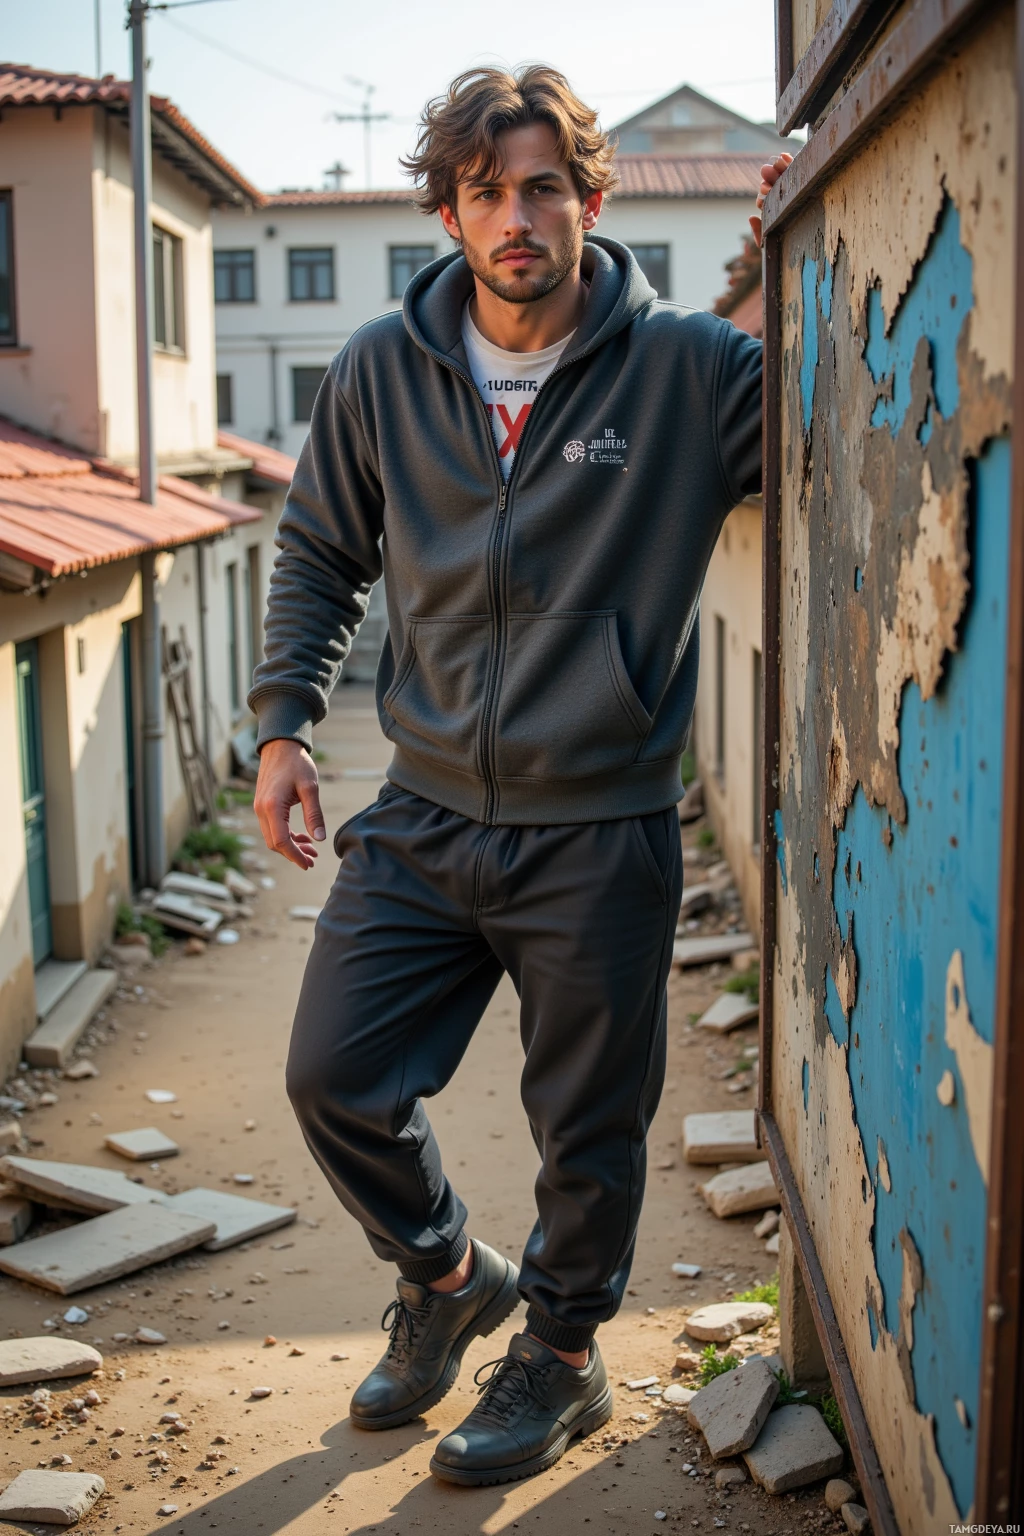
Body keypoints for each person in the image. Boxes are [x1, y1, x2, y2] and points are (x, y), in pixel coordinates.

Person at [251, 64, 791, 1488]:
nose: (515, 214)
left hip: (598, 823)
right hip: (424, 806)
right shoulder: (381, 366)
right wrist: (282, 726)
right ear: (448, 211)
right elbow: (317, 551)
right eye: (485, 189)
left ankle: (558, 1354)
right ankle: (445, 1278)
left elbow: (832, 395)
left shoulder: (689, 370)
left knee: (587, 1130)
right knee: (333, 1072)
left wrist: (806, 258)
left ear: (590, 199)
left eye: (542, 184)